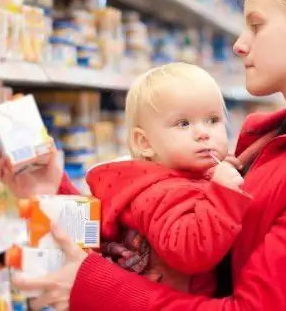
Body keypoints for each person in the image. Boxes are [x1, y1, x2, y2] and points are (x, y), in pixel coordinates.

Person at [0, 0, 286, 310]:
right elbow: (141, 239)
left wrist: (92, 286)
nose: (239, 44)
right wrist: (49, 191)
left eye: (256, 25)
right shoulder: (266, 143)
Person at [87, 62, 248, 295]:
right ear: (145, 143)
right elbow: (191, 252)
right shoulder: (158, 191)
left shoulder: (183, 177)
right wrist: (223, 194)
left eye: (213, 120)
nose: (203, 133)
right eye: (183, 124)